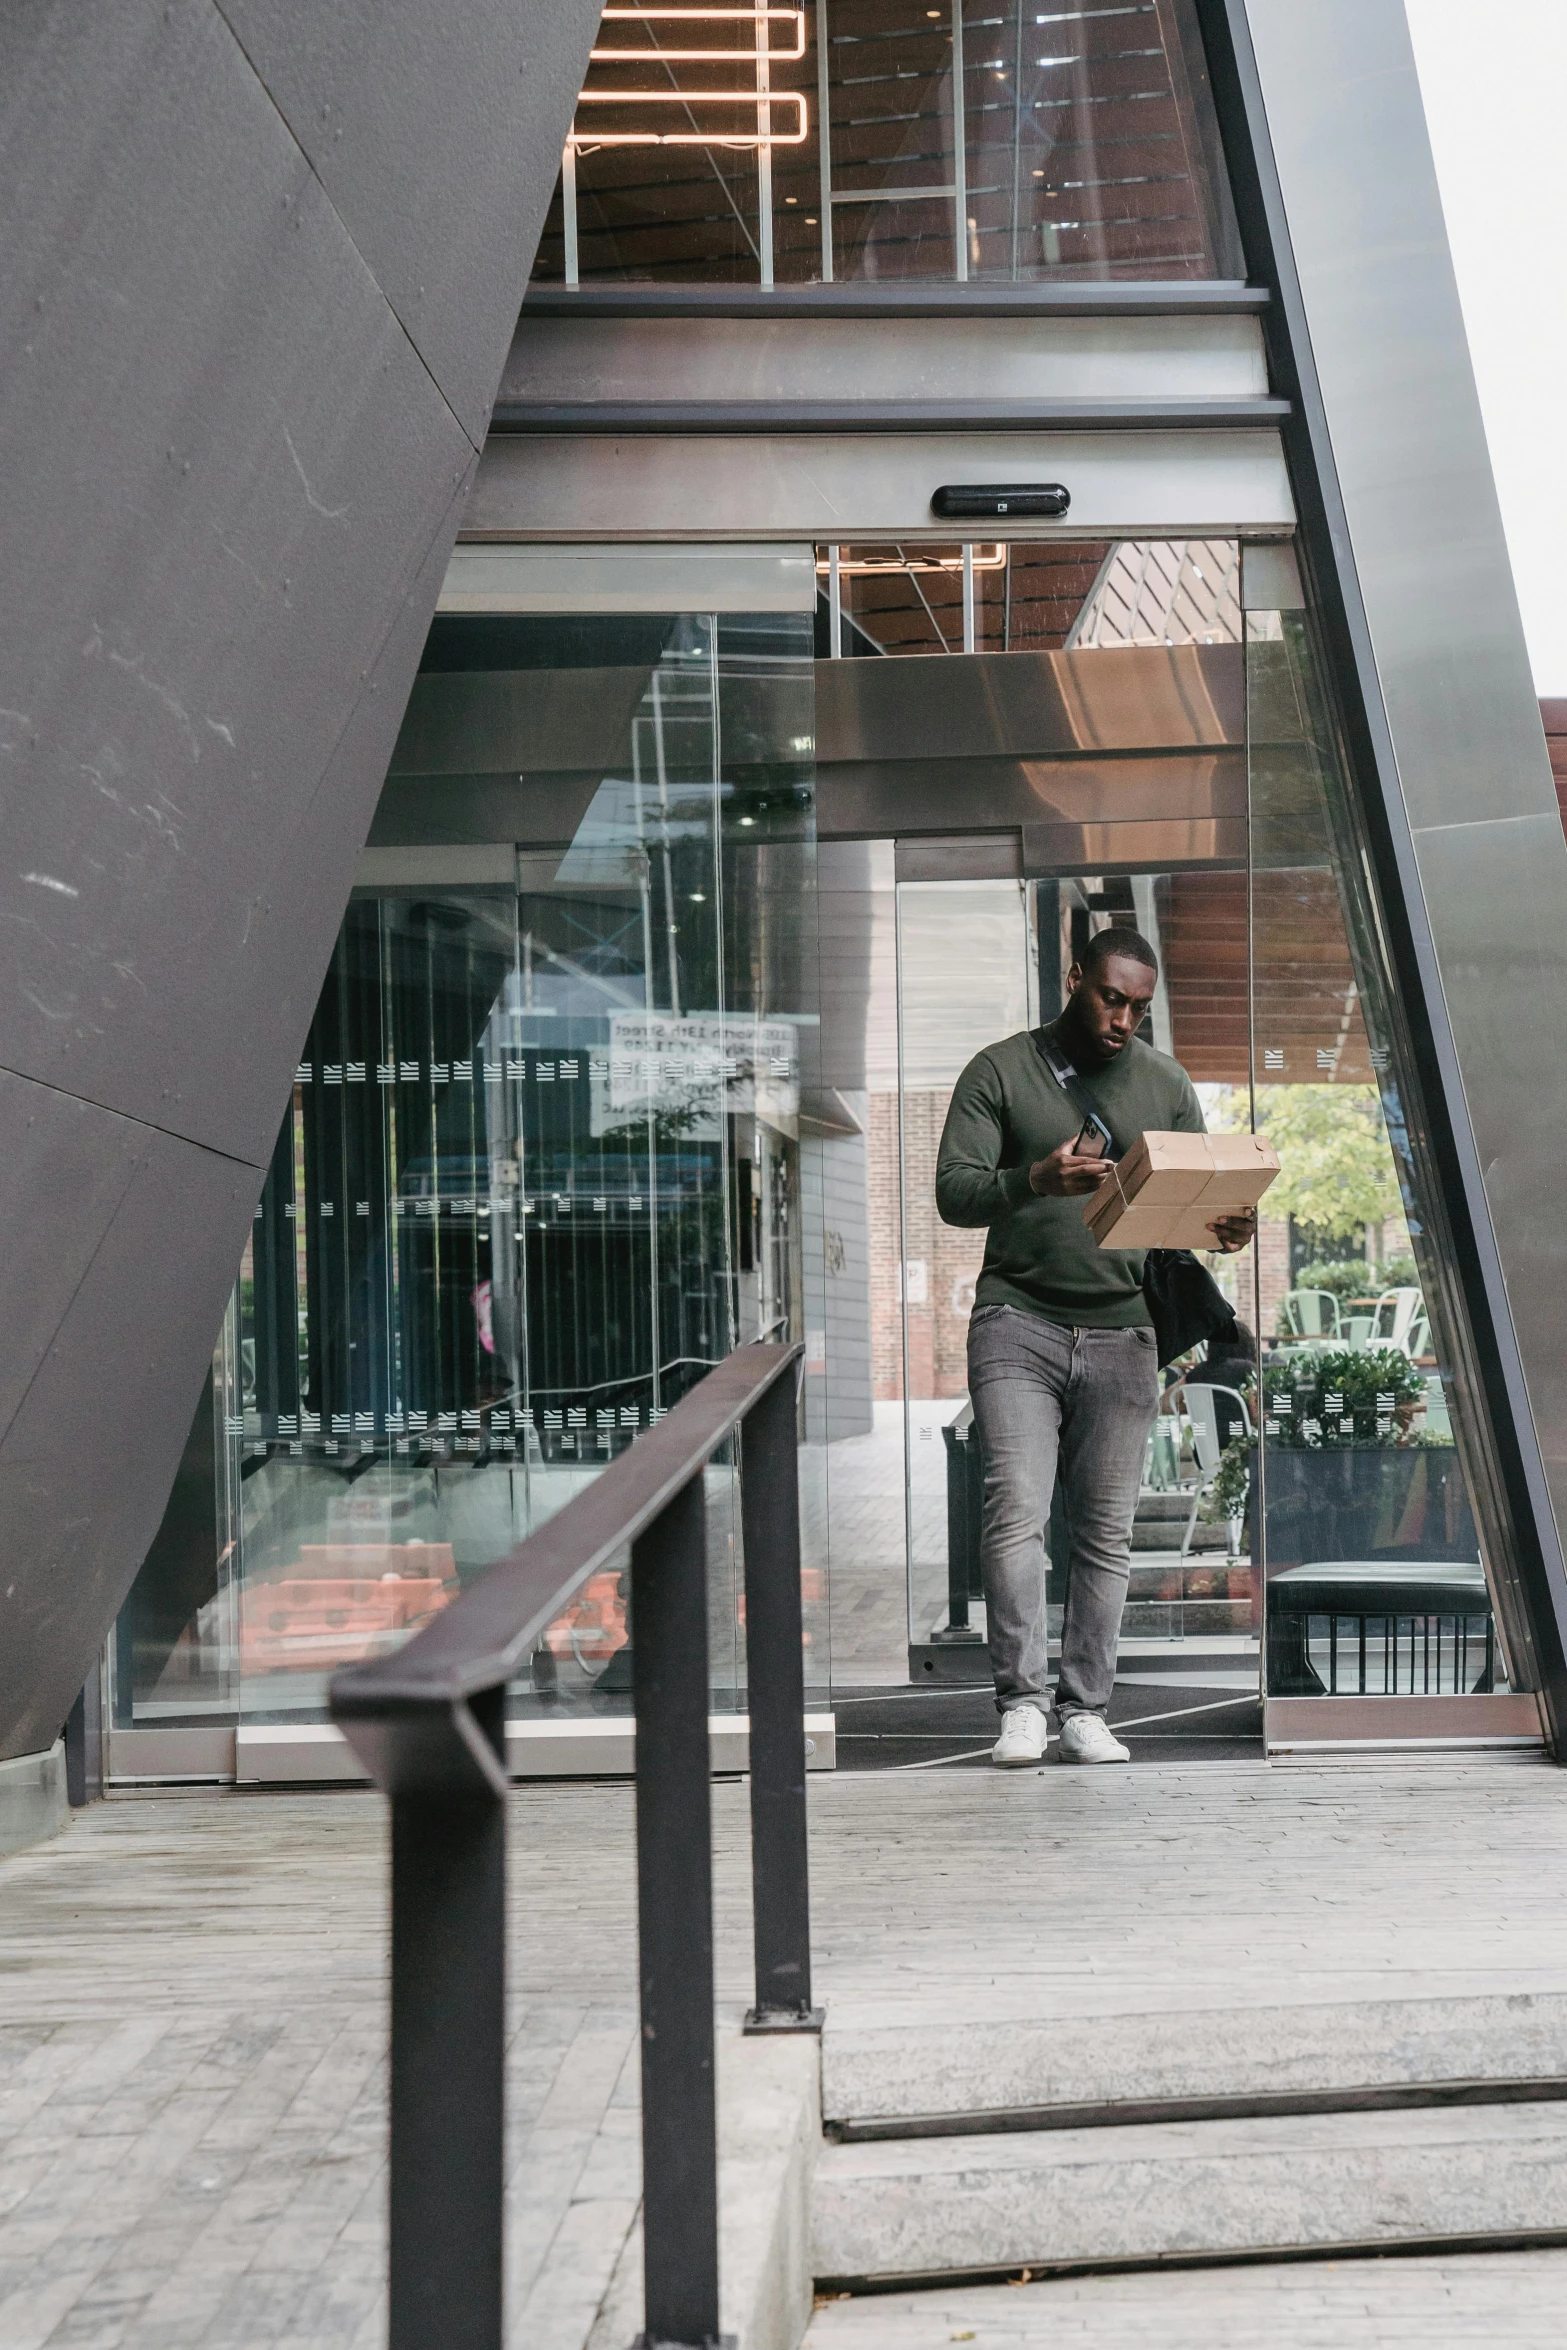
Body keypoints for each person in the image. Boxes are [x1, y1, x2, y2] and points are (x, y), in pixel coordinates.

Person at [935, 928, 1255, 1767]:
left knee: (1104, 1533)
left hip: (1124, 1332)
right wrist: (1030, 1180)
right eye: (1111, 998)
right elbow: (952, 1194)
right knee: (1014, 1516)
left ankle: (1084, 1708)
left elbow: (1187, 1213)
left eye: (1139, 1008)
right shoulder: (999, 1070)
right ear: (1075, 980)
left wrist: (1225, 1227)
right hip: (1017, 1323)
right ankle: (1020, 1704)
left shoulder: (1166, 1084)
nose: (1123, 1020)